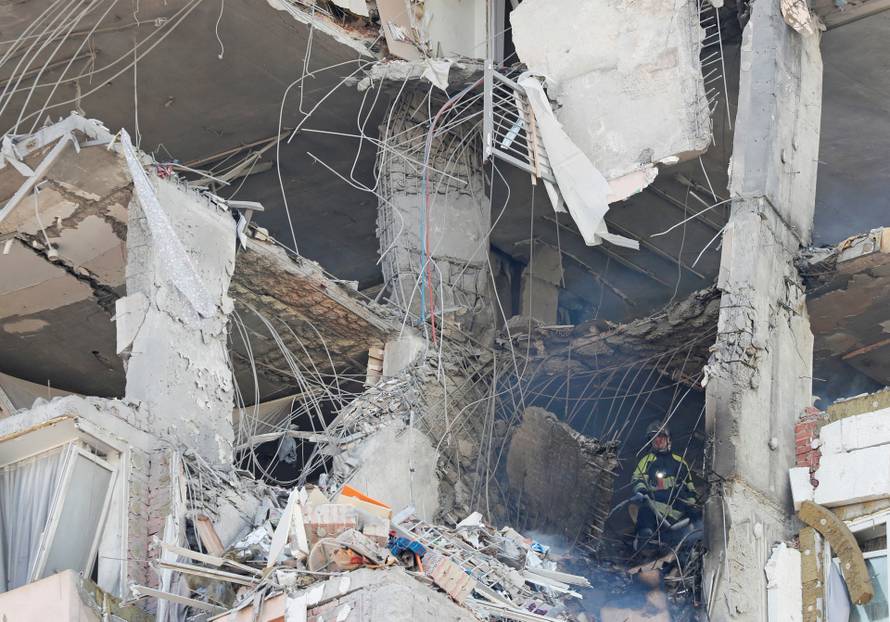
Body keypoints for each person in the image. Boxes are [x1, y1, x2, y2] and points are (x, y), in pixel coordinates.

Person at [630, 421, 699, 549]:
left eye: (661, 436)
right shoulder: (647, 460)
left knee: (696, 523)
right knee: (644, 515)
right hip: (655, 511)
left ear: (668, 439)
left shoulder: (681, 462)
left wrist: (692, 504)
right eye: (653, 438)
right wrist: (642, 491)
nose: (657, 440)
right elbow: (637, 479)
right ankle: (645, 542)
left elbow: (689, 487)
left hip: (678, 515)